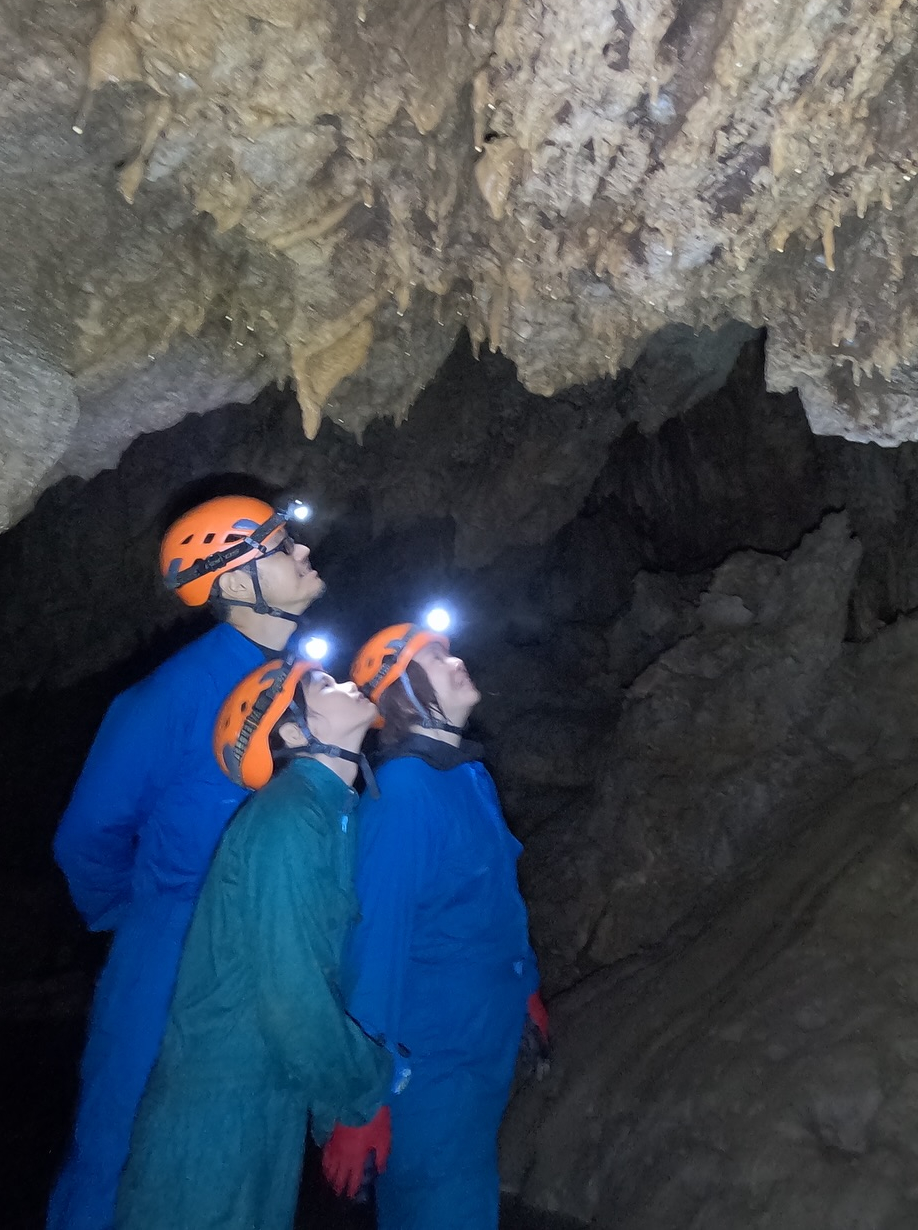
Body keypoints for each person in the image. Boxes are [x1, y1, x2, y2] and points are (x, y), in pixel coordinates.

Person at [48, 495, 325, 1230]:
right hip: (173, 952)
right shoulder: (166, 699)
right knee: (122, 1146)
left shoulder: (303, 684)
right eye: (277, 545)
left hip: (265, 955)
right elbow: (87, 836)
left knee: (247, 1160)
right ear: (234, 583)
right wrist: (140, 914)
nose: (301, 550)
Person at [115, 656, 393, 1230]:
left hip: (263, 1107)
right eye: (324, 684)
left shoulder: (331, 815)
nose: (349, 680)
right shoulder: (288, 822)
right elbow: (293, 997)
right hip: (216, 1122)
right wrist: (366, 1090)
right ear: (293, 732)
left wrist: (332, 1110)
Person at [322, 619, 548, 1230]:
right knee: (440, 1208)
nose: (456, 662)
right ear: (404, 693)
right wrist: (363, 1099)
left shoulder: (467, 776)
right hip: (428, 1061)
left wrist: (523, 988)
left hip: (479, 1044)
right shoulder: (403, 796)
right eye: (437, 659)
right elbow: (375, 946)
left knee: (462, 1197)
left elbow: (497, 898)